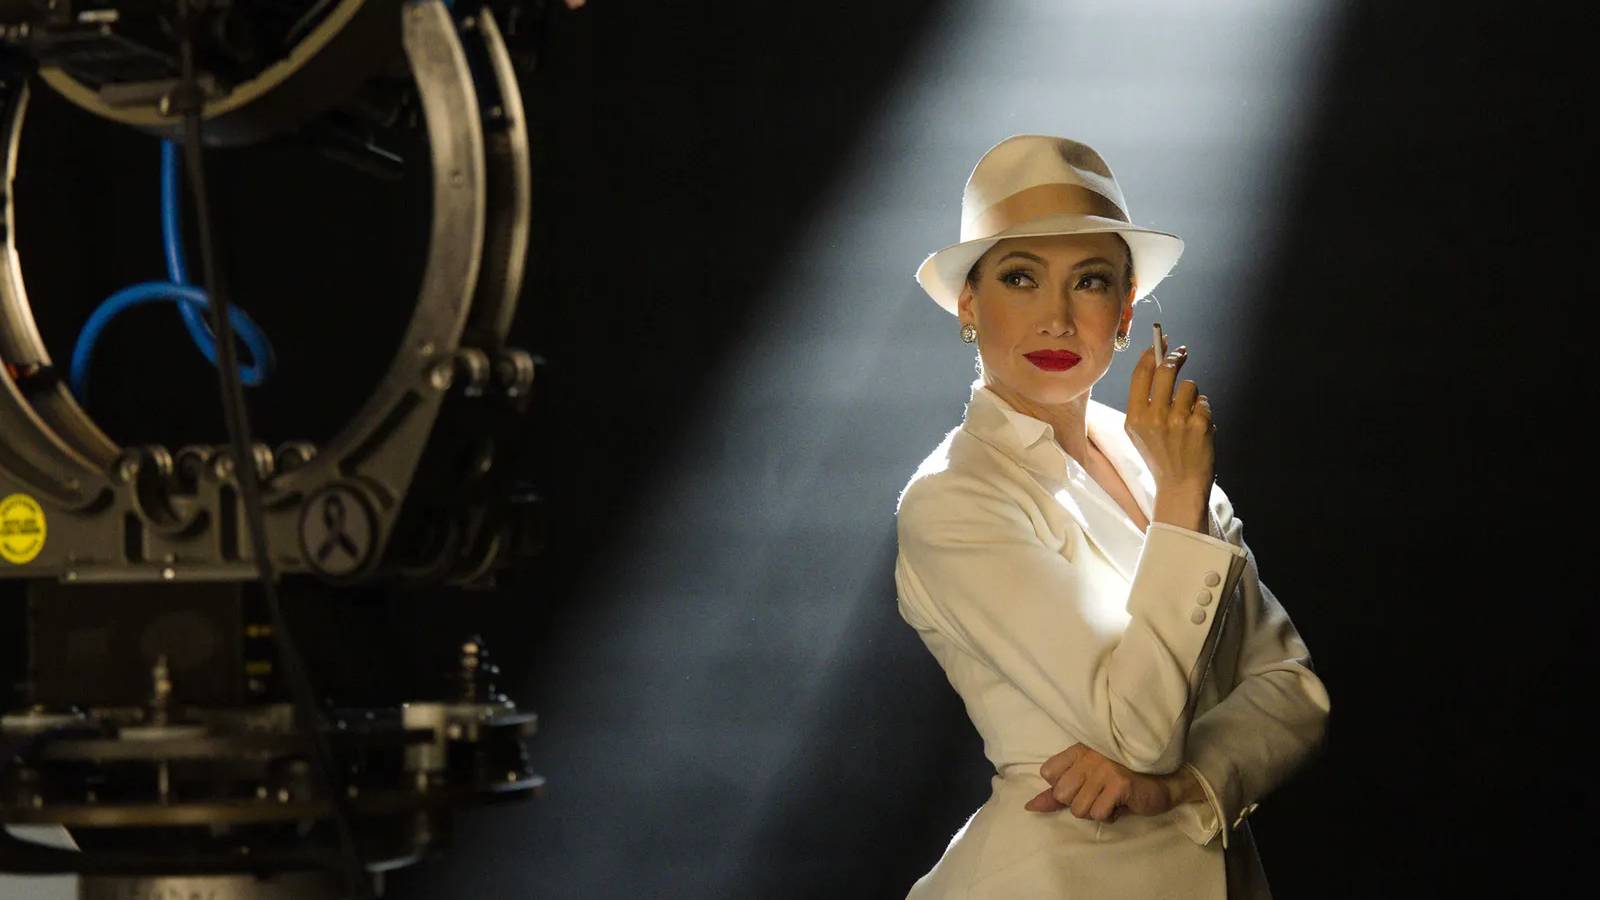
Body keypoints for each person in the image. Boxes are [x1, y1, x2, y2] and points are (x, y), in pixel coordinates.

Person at [893, 134, 1331, 899]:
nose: (1058, 319)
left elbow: (1293, 692)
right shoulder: (953, 499)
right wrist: (1183, 503)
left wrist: (1188, 786)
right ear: (968, 303)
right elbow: (1134, 735)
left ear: (1126, 309)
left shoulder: (1159, 461)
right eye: (1021, 278)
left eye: (1089, 281)